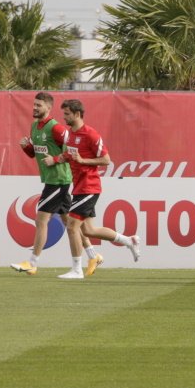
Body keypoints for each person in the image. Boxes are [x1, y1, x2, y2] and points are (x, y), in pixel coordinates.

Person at [11, 92, 100, 276]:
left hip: (58, 180)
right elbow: (36, 154)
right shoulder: (35, 126)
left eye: (39, 105)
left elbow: (70, 151)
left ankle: (32, 262)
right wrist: (27, 147)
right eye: (34, 104)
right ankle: (93, 255)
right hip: (51, 179)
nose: (35, 108)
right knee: (70, 223)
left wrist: (56, 160)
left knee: (41, 220)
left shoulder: (57, 128)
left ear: (48, 108)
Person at [56, 99, 141, 280]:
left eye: (67, 114)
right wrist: (58, 159)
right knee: (88, 230)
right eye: (64, 114)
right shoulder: (70, 134)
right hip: (78, 186)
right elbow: (70, 155)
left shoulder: (91, 134)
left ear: (77, 114)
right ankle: (128, 240)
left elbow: (106, 159)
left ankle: (77, 270)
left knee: (71, 226)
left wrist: (83, 161)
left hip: (89, 186)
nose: (64, 118)